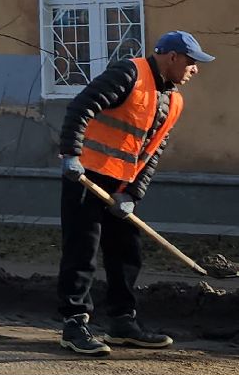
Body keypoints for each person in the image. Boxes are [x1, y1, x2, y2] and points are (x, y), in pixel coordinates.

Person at [54, 30, 211, 356]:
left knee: (126, 252)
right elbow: (81, 107)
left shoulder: (173, 100)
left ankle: (122, 322)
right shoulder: (129, 73)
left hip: (120, 186)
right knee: (82, 251)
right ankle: (74, 324)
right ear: (173, 57)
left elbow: (152, 153)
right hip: (86, 176)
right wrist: (71, 154)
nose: (194, 70)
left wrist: (132, 195)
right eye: (192, 62)